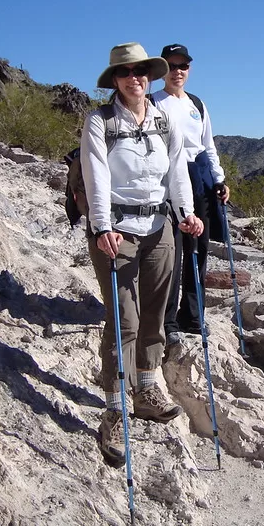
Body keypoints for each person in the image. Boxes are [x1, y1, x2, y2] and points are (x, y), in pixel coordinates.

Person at [81, 42, 204, 467]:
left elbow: (177, 171)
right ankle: (115, 409)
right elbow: (95, 174)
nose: (137, 79)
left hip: (159, 228)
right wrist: (101, 226)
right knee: (124, 319)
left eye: (142, 72)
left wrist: (186, 213)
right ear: (114, 80)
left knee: (154, 312)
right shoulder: (100, 122)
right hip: (117, 231)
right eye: (127, 73)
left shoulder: (164, 118)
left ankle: (147, 388)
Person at [151, 44, 230, 346]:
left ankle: (193, 316)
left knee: (198, 251)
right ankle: (168, 320)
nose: (178, 72)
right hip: (168, 179)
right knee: (172, 253)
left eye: (183, 65)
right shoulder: (152, 102)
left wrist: (219, 180)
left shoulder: (197, 104)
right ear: (162, 69)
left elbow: (208, 146)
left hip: (199, 180)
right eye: (171, 66)